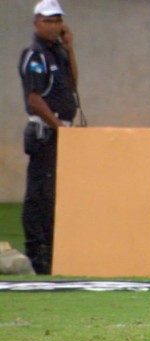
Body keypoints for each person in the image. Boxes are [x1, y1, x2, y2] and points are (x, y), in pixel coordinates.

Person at [17, 0, 78, 275]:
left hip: (59, 131)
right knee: (39, 194)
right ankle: (37, 251)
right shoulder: (35, 55)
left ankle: (52, 249)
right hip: (45, 133)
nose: (54, 26)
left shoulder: (57, 52)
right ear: (36, 23)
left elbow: (72, 85)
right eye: (48, 21)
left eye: (57, 21)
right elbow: (34, 98)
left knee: (54, 193)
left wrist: (70, 49)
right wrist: (59, 127)